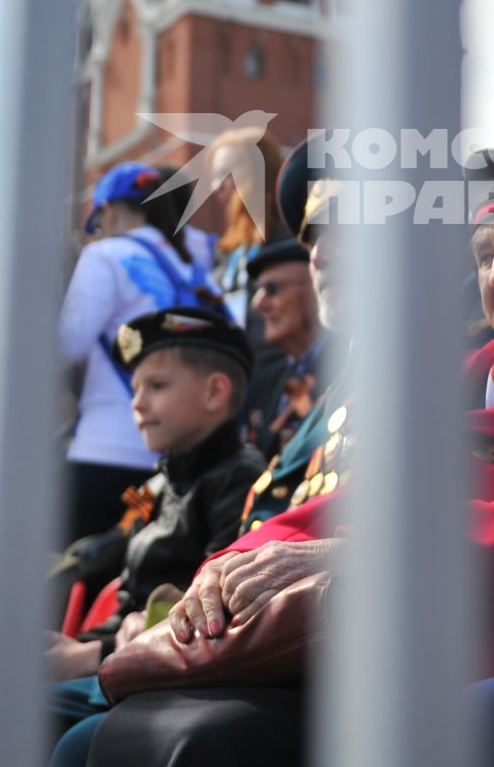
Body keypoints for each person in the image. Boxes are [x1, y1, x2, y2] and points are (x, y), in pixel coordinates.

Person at [65, 150, 494, 767]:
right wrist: (230, 567)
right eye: (484, 254)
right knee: (133, 736)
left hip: (482, 639)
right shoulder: (456, 375)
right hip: (359, 631)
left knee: (197, 739)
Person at [0, 304, 265, 767]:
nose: (137, 402)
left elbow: (210, 605)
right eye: (133, 389)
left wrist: (85, 655)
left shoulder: (238, 480)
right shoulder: (160, 485)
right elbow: (126, 596)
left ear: (216, 392)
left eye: (157, 386)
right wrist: (69, 646)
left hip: (171, 678)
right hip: (128, 665)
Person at [60, 161, 216, 543]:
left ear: (108, 211)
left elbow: (68, 344)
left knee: (82, 581)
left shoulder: (107, 255)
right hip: (176, 462)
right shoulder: (196, 264)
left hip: (106, 453)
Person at [238, 238, 334, 457]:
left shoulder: (344, 364)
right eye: (257, 291)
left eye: (271, 289)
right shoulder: (278, 378)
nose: (258, 304)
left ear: (313, 286)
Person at [201, 125, 289, 324]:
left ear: (260, 169)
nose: (217, 187)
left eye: (226, 172)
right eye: (215, 176)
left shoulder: (294, 239)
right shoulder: (229, 249)